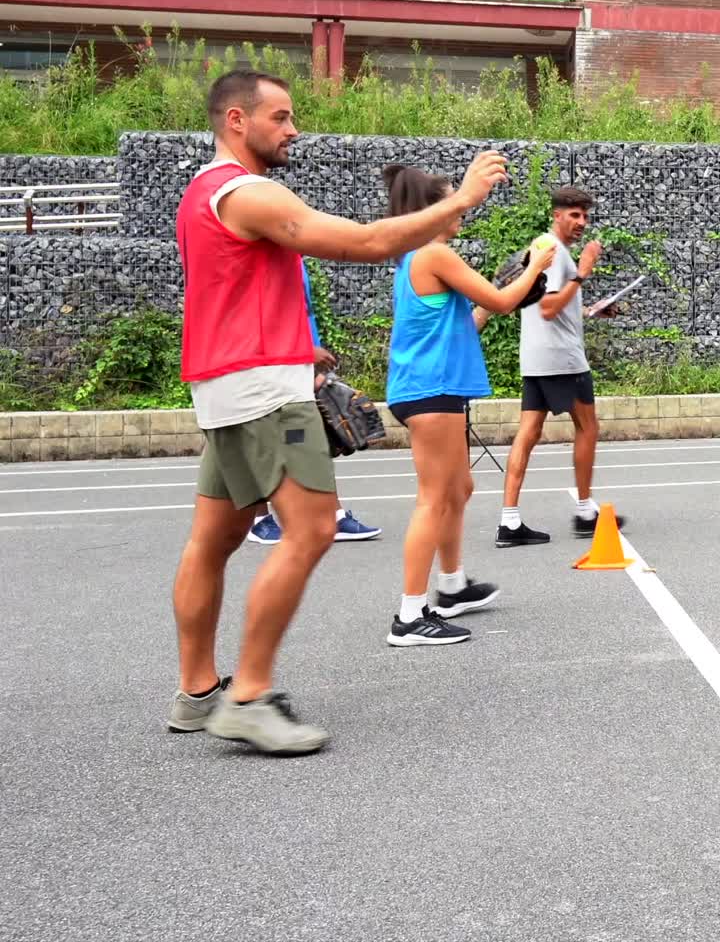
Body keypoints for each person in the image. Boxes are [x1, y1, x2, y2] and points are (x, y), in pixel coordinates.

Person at [168, 70, 508, 754]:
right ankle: (251, 696)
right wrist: (461, 199)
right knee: (313, 528)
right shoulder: (248, 191)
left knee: (214, 540)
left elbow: (233, 293)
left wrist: (302, 346)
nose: (294, 129)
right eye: (281, 117)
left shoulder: (201, 194)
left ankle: (197, 692)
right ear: (236, 120)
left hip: (228, 383)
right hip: (264, 392)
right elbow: (363, 241)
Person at [382, 164, 555, 648]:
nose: (460, 206)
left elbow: (475, 316)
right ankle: (410, 615)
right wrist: (536, 267)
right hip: (430, 391)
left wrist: (514, 285)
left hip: (433, 388)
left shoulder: (417, 258)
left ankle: (453, 587)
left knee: (458, 488)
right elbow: (501, 302)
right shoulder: (434, 253)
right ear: (431, 210)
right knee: (434, 498)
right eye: (450, 199)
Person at [495, 185, 625, 548]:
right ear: (556, 215)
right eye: (574, 215)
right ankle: (585, 512)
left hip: (536, 358)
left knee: (529, 433)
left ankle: (509, 521)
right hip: (563, 358)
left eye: (585, 215)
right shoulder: (554, 252)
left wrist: (589, 310)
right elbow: (550, 308)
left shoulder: (544, 248)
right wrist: (583, 272)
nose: (581, 222)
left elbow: (553, 305)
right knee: (588, 427)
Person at [249, 260, 381, 545]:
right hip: (274, 367)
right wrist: (303, 353)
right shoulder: (260, 258)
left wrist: (312, 365)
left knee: (311, 442)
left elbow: (298, 315)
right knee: (265, 443)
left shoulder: (293, 258)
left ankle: (332, 516)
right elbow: (257, 319)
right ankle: (259, 518)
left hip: (299, 364)